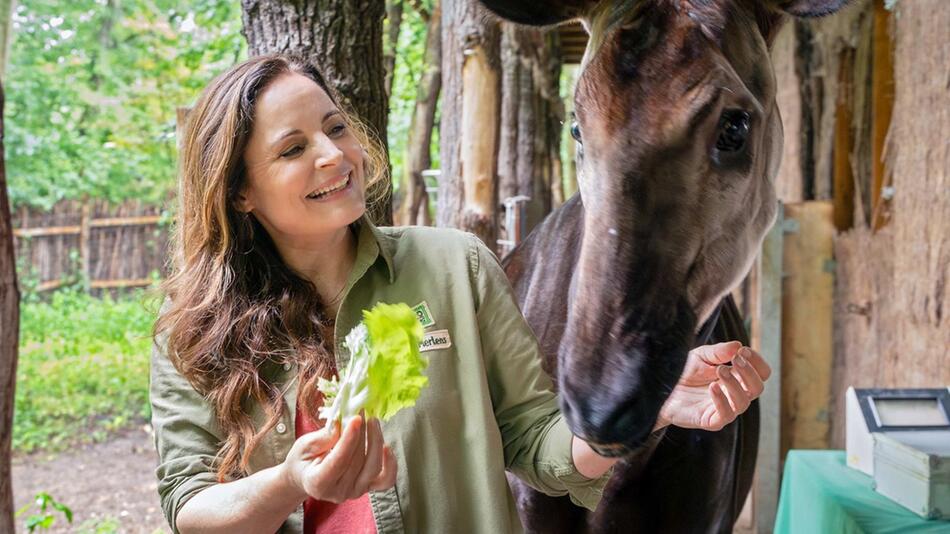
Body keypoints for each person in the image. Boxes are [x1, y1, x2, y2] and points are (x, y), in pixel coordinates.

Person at [150, 54, 771, 534]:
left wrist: (651, 406)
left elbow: (540, 447)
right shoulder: (192, 332)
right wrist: (291, 481)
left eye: (336, 127)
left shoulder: (456, 267)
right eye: (293, 149)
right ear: (240, 193)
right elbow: (191, 508)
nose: (335, 154)